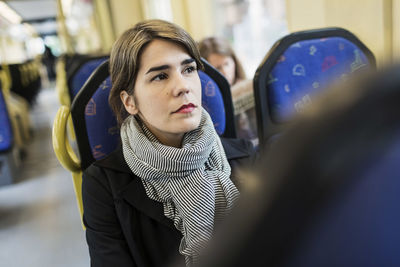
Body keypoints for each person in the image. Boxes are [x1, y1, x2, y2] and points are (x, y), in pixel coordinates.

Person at [82, 19, 255, 267]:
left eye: (188, 69)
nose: (183, 87)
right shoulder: (103, 184)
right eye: (160, 76)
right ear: (130, 101)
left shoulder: (246, 157)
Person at [198, 37, 258, 145]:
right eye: (217, 68)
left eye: (227, 64)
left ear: (234, 62)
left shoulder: (249, 86)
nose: (225, 72)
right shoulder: (206, 104)